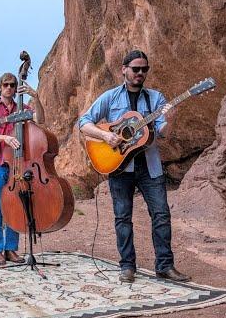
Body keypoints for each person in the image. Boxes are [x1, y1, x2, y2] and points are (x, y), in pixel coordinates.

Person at [78, 49, 191, 283]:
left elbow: (163, 133)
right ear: (124, 70)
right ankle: (127, 266)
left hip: (150, 167)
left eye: (144, 69)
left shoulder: (156, 99)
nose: (140, 73)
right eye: (136, 69)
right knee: (122, 217)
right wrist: (105, 136)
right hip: (119, 167)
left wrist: (172, 117)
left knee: (161, 215)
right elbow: (84, 122)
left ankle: (165, 266)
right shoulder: (110, 97)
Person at [0, 72, 45, 266]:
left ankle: (11, 249)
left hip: (19, 163)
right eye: (6, 85)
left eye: (12, 85)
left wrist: (37, 97)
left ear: (16, 88)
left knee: (16, 206)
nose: (9, 88)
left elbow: (40, 119)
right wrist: (5, 138)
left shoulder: (22, 107)